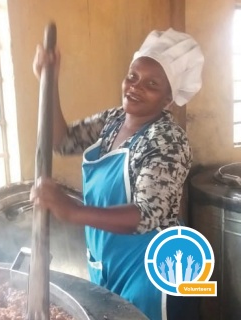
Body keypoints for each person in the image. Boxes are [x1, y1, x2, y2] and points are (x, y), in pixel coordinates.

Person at [31, 28, 204, 320]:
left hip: (152, 269)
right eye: (132, 76)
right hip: (108, 257)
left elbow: (146, 214)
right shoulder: (114, 120)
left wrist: (73, 211)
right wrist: (48, 82)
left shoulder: (167, 140)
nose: (135, 87)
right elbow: (62, 140)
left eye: (151, 83)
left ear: (168, 99)